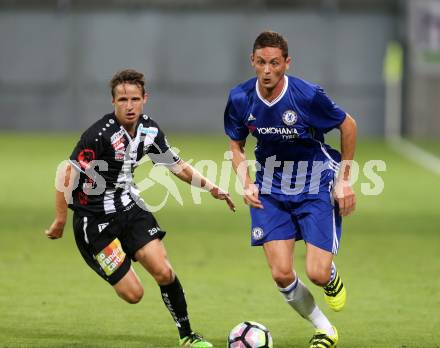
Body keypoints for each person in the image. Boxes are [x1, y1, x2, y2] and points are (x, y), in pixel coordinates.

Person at [45, 69, 235, 347]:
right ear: (113, 102)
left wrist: (212, 187)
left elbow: (177, 166)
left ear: (145, 98)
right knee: (134, 294)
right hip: (94, 221)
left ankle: (187, 336)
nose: (129, 105)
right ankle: (107, 256)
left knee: (164, 271)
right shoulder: (99, 135)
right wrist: (60, 220)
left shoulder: (149, 130)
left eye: (134, 98)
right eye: (122, 99)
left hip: (130, 208)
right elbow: (66, 175)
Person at [224, 31, 357, 348]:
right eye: (261, 63)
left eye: (274, 63)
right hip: (270, 187)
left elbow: (347, 124)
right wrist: (246, 182)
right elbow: (237, 144)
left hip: (315, 183)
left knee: (317, 273)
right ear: (252, 62)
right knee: (282, 274)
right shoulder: (240, 98)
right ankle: (325, 329)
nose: (267, 71)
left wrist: (345, 179)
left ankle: (330, 275)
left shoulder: (307, 95)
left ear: (286, 62)